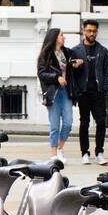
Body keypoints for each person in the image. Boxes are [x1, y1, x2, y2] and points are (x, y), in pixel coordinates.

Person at [71, 19, 108, 165]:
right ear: (83, 31)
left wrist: (105, 87)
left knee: (101, 122)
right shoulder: (76, 51)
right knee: (84, 123)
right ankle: (85, 153)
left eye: (94, 31)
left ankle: (99, 152)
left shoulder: (103, 50)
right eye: (89, 31)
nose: (92, 33)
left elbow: (107, 71)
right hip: (83, 92)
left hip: (98, 92)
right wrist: (76, 90)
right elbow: (71, 73)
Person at [37, 27, 82, 162]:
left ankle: (60, 148)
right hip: (54, 92)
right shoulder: (46, 55)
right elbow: (41, 73)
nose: (64, 37)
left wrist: (76, 64)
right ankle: (53, 154)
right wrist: (56, 77)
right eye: (62, 35)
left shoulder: (67, 52)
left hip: (66, 91)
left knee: (68, 123)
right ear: (55, 37)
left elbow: (72, 66)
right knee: (55, 125)